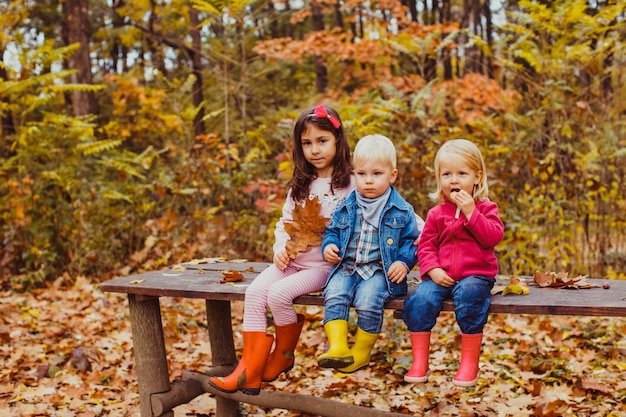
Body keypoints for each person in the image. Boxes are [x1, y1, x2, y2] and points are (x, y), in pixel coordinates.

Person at [209, 105, 356, 395]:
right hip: (291, 260)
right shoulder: (300, 185)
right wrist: (279, 247)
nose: (314, 149)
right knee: (253, 293)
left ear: (338, 141)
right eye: (307, 143)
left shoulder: (351, 183)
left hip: (323, 267)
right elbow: (284, 222)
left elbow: (384, 206)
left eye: (322, 141)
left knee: (278, 295)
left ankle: (283, 356)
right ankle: (248, 371)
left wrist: (418, 228)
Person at [401, 138, 504, 387]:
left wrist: (472, 213)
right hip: (440, 275)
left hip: (476, 275)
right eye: (446, 174)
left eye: (461, 173)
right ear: (439, 179)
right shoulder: (436, 214)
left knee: (470, 297)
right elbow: (425, 245)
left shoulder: (486, 208)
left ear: (477, 177)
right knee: (419, 301)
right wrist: (433, 269)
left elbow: (492, 237)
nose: (454, 180)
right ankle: (419, 361)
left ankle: (469, 363)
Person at [317, 134, 421, 373]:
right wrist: (328, 247)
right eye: (362, 174)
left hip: (379, 270)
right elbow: (332, 231)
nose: (369, 181)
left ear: (392, 175)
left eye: (377, 174)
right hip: (347, 265)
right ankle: (338, 348)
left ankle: (361, 353)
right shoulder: (347, 204)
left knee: (367, 301)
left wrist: (404, 263)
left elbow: (411, 242)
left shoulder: (401, 209)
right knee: (334, 293)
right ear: (355, 174)